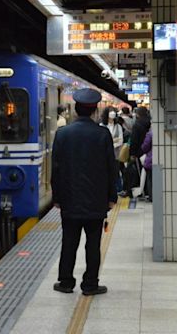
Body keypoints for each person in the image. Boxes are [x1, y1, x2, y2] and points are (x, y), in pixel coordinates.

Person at [51, 88, 117, 295]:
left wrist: (57, 198)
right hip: (96, 202)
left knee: (69, 242)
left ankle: (65, 282)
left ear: (76, 109)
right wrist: (111, 197)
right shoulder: (102, 134)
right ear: (95, 110)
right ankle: (90, 284)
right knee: (93, 244)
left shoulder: (63, 134)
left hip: (70, 200)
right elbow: (110, 168)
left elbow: (56, 169)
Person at [141, 129, 153, 201]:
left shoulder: (150, 134)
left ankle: (151, 196)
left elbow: (145, 147)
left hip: (151, 160)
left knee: (150, 179)